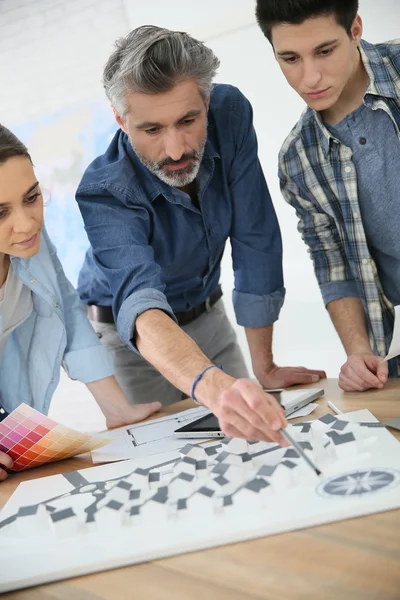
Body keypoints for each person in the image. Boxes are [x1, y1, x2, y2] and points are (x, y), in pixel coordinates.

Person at [76, 25, 325, 443]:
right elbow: (140, 302)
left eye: (188, 120)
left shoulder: (230, 113)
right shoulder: (103, 191)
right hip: (134, 342)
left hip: (208, 314)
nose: (175, 150)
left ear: (207, 101)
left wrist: (264, 365)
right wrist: (210, 386)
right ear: (121, 120)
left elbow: (254, 234)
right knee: (168, 461)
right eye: (152, 130)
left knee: (251, 438)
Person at [0, 124, 162, 480]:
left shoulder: (29, 245)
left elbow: (68, 312)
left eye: (31, 197)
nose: (26, 224)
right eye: (1, 213)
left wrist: (116, 407)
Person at [255, 0, 400, 392]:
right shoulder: (298, 160)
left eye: (324, 51)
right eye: (289, 58)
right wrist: (358, 352)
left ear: (355, 28)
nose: (309, 78)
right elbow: (334, 264)